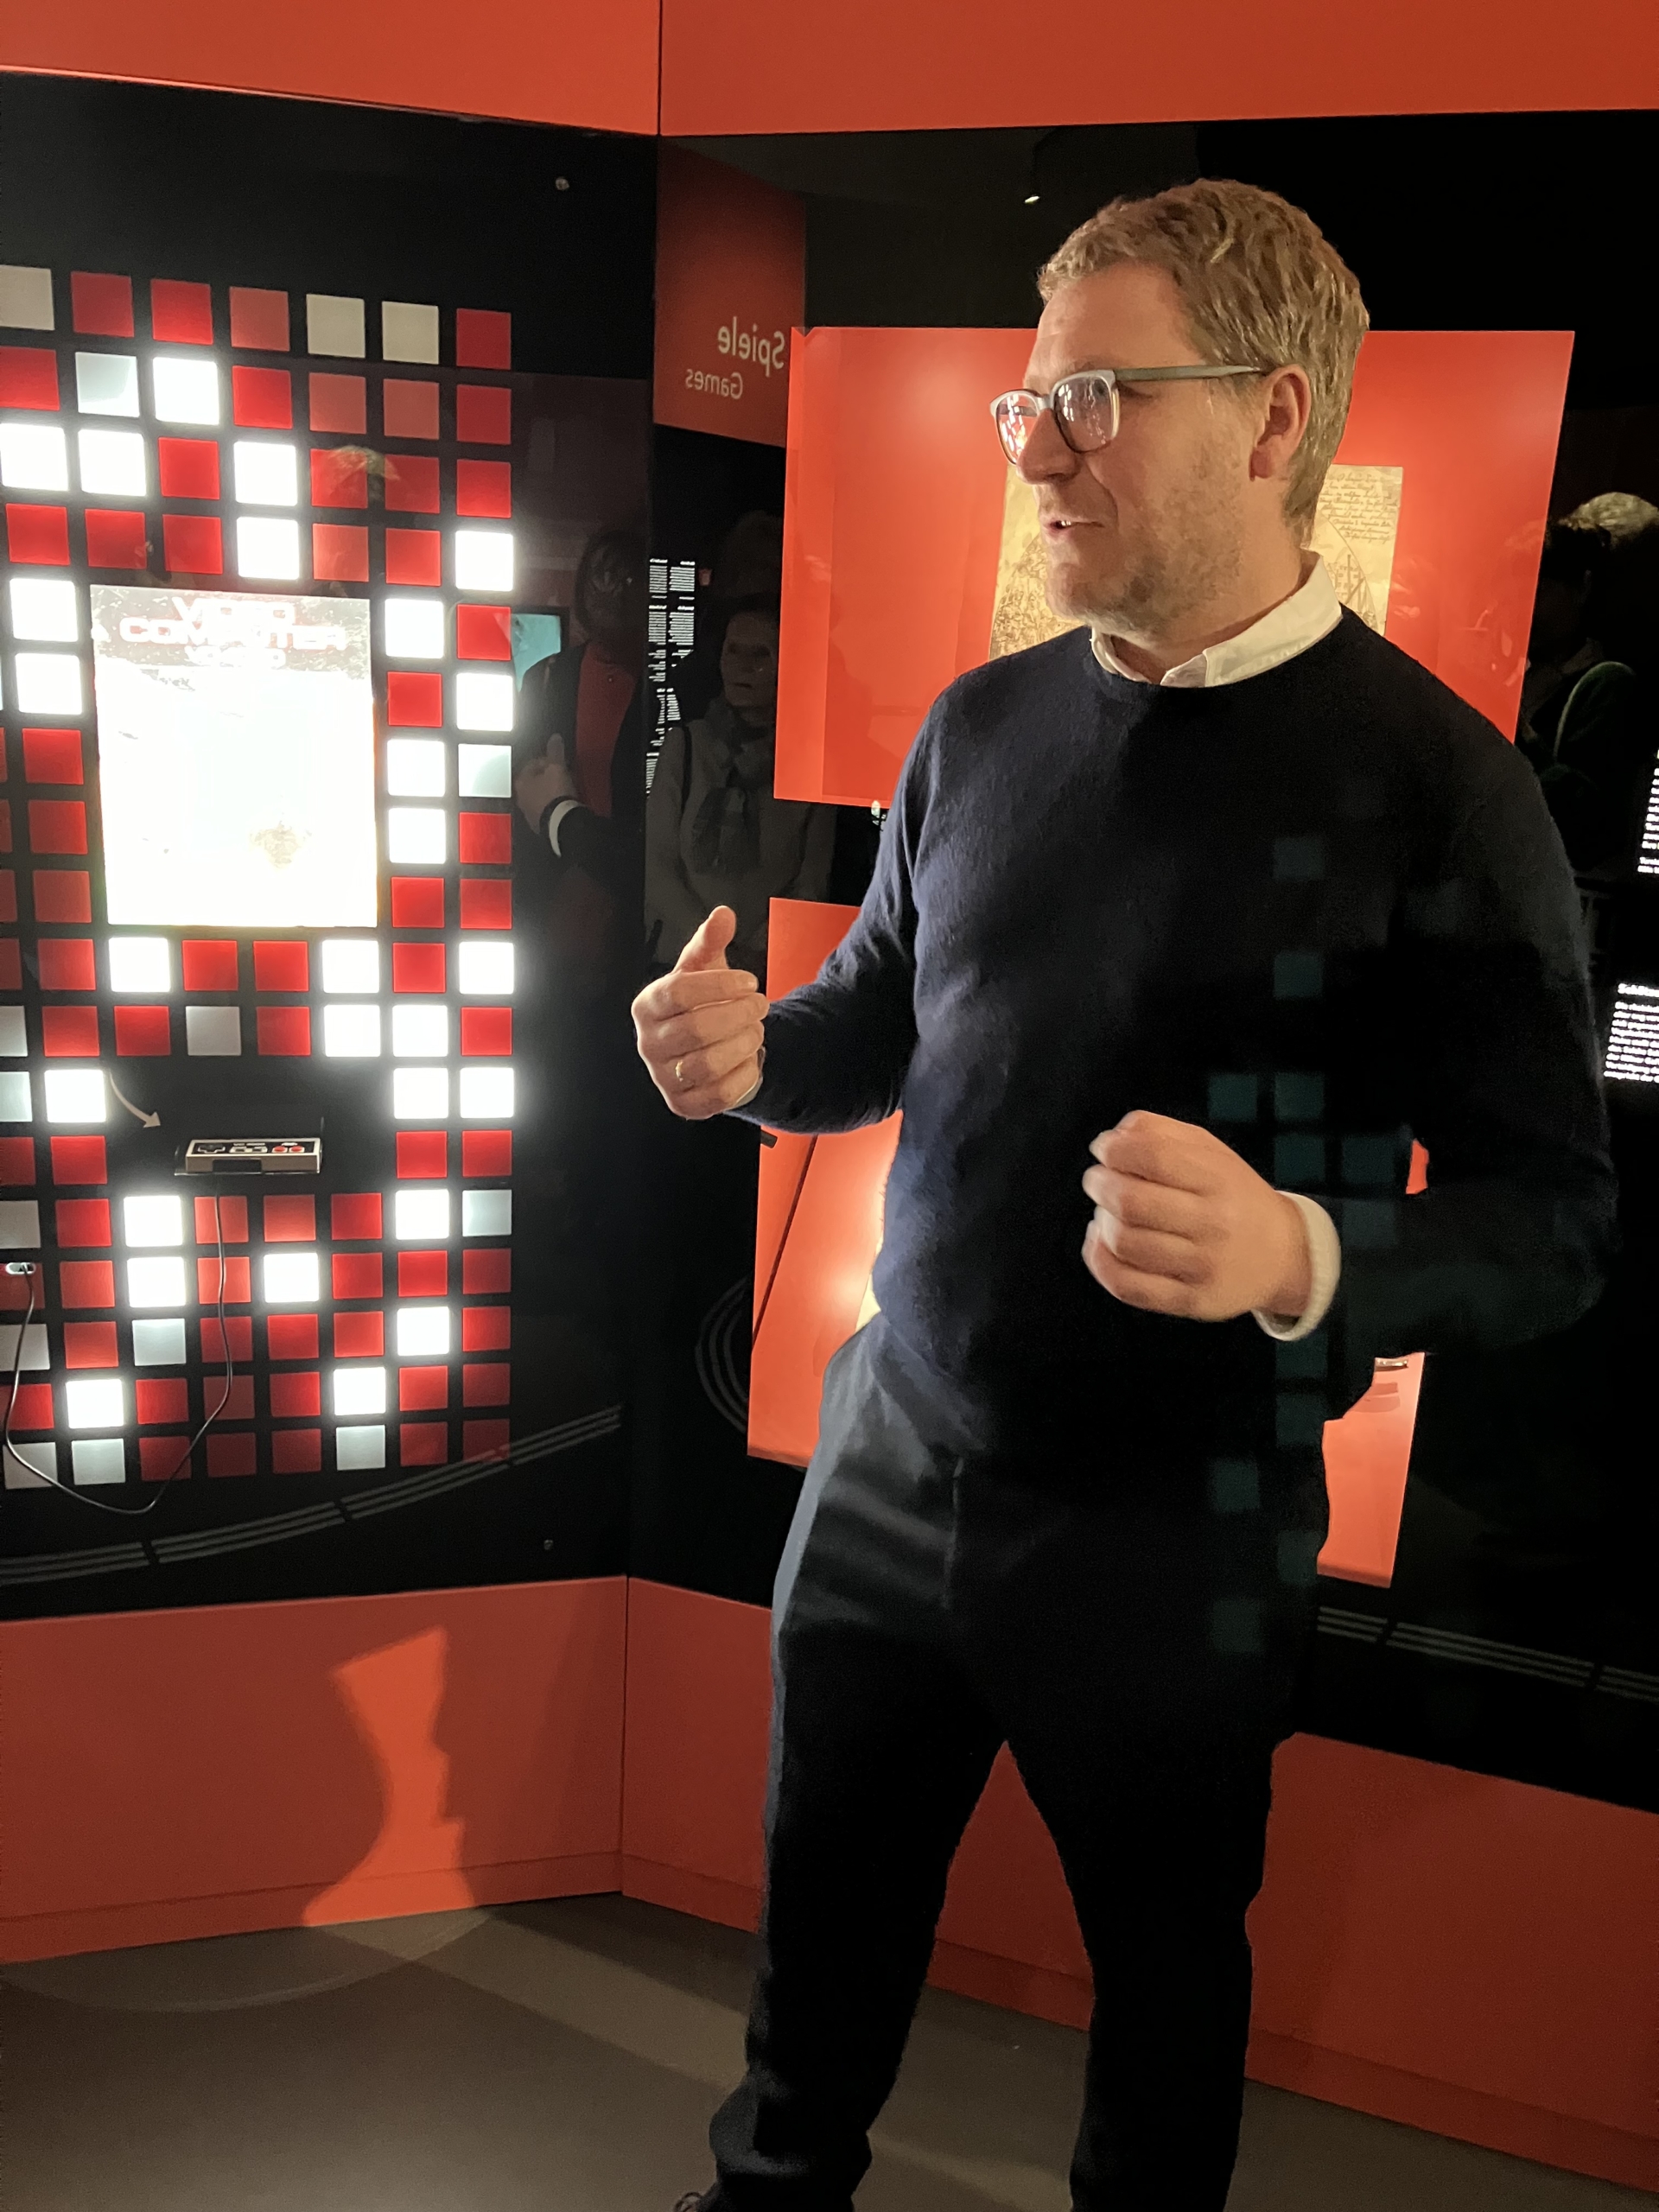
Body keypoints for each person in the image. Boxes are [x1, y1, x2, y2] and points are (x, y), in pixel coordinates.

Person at [633, 180, 1616, 2212]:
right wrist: (748, 1061)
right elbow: (872, 1025)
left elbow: (1552, 1221)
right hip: (895, 1452)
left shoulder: (1443, 790)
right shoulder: (979, 724)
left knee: (1164, 1993)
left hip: (1185, 1515)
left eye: (1092, 395)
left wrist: (1304, 1251)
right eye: (1027, 403)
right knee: (812, 1952)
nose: (1036, 447)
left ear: (1273, 418)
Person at [644, 600, 836, 981]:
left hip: (764, 969)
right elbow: (658, 867)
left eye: (760, 654)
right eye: (733, 650)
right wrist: (715, 948)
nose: (742, 666)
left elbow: (810, 884)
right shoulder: (686, 747)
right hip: (681, 964)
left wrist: (758, 954)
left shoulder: (809, 762)